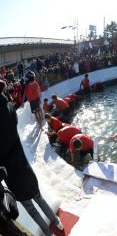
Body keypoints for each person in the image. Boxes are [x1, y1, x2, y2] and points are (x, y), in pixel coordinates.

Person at [0, 80, 63, 235]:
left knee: (31, 209)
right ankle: (57, 222)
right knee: (39, 198)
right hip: (23, 166)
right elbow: (8, 105)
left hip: (12, 175)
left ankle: (48, 233)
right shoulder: (8, 109)